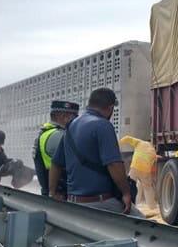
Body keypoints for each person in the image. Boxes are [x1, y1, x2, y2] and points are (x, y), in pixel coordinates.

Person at [49, 88, 143, 216]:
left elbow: (55, 164)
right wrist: (126, 193)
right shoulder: (103, 126)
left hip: (74, 202)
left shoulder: (71, 126)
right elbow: (114, 164)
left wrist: (53, 192)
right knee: (147, 228)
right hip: (100, 202)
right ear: (110, 108)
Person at [33, 100, 79, 196]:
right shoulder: (58, 136)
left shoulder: (47, 133)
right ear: (63, 117)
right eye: (74, 117)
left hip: (52, 194)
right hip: (59, 196)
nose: (76, 121)